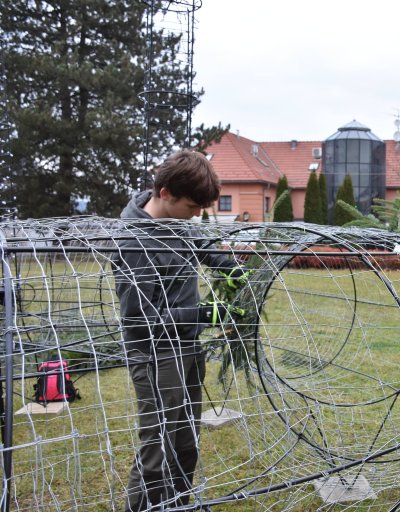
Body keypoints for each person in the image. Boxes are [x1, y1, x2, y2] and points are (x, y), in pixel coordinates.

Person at [113, 149, 248, 511]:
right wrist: (204, 315)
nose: (197, 215)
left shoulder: (177, 221)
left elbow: (199, 242)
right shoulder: (134, 243)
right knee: (157, 449)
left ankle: (177, 505)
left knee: (186, 441)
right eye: (193, 205)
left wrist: (228, 266)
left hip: (188, 349)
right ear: (166, 193)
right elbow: (140, 319)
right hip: (156, 357)